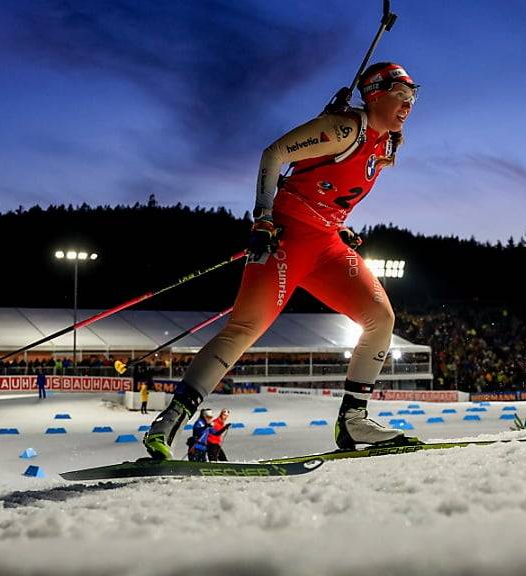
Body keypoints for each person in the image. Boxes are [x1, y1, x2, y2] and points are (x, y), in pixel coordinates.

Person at [144, 62, 419, 459]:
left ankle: (353, 420)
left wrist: (336, 226)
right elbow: (273, 155)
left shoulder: (384, 142)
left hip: (325, 243)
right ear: (375, 93)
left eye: (413, 97)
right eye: (401, 95)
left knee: (381, 319)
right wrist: (263, 218)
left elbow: (325, 189)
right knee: (244, 328)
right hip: (287, 240)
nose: (409, 105)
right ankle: (169, 420)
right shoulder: (346, 128)